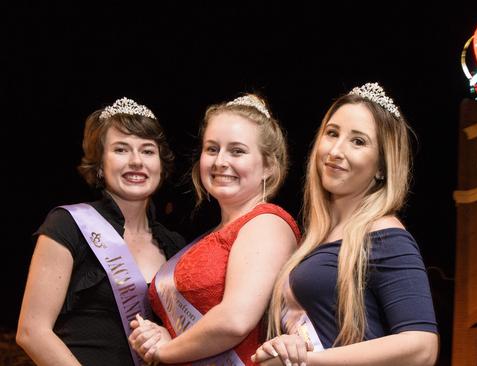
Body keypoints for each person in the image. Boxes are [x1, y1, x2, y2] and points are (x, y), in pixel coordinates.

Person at [253, 83, 439, 366]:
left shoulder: (384, 235)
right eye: (332, 133)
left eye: (358, 141)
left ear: (381, 167)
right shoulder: (314, 241)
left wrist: (308, 362)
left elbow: (422, 346)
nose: (336, 150)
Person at [128, 94, 300, 365]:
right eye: (212, 149)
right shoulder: (212, 234)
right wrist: (164, 335)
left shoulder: (268, 223)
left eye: (237, 151)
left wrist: (163, 352)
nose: (220, 161)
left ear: (268, 166)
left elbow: (234, 320)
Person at [16, 97, 187, 366]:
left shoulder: (175, 246)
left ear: (161, 165)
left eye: (147, 151)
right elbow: (32, 332)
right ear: (99, 165)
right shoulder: (68, 225)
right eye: (121, 150)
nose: (136, 161)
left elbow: (183, 334)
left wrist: (167, 336)